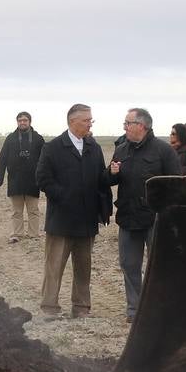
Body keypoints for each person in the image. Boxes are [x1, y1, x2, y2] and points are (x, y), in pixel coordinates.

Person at [35, 103, 112, 318]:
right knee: (54, 267)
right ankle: (49, 308)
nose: (90, 124)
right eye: (87, 120)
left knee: (83, 268)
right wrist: (64, 196)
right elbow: (42, 179)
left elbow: (100, 179)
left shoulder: (93, 148)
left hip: (87, 220)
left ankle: (81, 308)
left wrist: (112, 174)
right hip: (61, 220)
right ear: (72, 121)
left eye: (91, 120)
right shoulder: (52, 148)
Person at [107, 108, 182, 323]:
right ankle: (135, 309)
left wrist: (170, 215)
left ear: (142, 125)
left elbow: (176, 184)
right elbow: (109, 179)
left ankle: (161, 308)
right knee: (129, 264)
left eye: (127, 123)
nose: (124, 127)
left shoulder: (164, 151)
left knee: (159, 266)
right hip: (129, 217)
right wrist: (111, 173)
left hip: (155, 218)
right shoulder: (121, 149)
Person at [0, 111, 45, 242]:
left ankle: (34, 234)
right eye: (20, 120)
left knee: (33, 210)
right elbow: (2, 158)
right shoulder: (10, 138)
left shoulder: (38, 139)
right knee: (16, 211)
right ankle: (17, 234)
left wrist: (45, 178)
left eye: (25, 120)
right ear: (17, 122)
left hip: (33, 181)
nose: (22, 122)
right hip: (15, 180)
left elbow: (45, 159)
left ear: (30, 122)